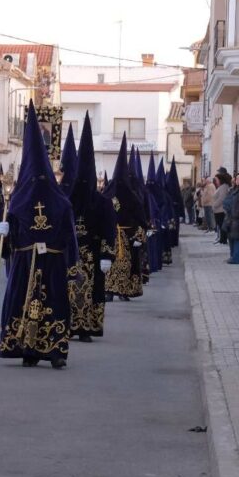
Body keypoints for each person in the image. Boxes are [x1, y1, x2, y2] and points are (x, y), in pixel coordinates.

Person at [0, 102, 78, 368]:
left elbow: (68, 236)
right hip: (43, 264)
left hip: (34, 264)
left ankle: (44, 349)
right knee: (47, 303)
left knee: (36, 303)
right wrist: (5, 234)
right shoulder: (57, 200)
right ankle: (37, 350)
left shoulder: (20, 200)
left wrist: (8, 240)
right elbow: (69, 237)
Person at [62, 114, 114, 342]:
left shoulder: (102, 203)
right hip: (71, 254)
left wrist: (106, 255)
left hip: (92, 253)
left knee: (91, 292)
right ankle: (70, 326)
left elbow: (108, 230)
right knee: (70, 291)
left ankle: (87, 328)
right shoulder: (66, 200)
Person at [103, 134, 147, 300]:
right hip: (111, 236)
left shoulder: (132, 196)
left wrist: (139, 237)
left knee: (126, 265)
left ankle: (124, 291)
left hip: (128, 237)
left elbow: (141, 219)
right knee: (111, 263)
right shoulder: (107, 194)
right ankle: (108, 291)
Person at [212, 174, 229, 243]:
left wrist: (214, 205)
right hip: (217, 210)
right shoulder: (220, 187)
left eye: (216, 179)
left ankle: (223, 240)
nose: (216, 181)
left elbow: (222, 198)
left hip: (221, 210)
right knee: (219, 225)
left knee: (222, 225)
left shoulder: (224, 187)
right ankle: (220, 239)